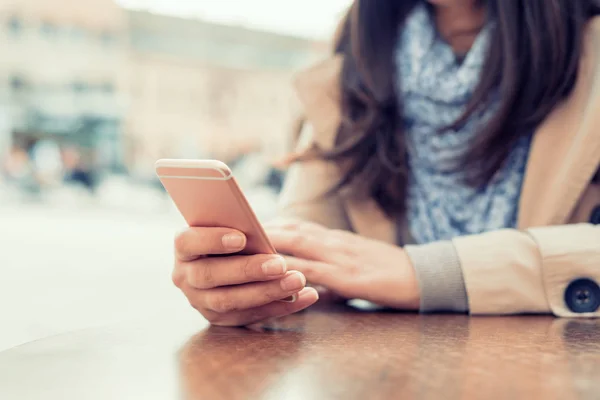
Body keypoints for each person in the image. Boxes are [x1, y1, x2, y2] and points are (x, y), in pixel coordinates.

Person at [172, 0, 600, 326]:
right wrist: (256, 281)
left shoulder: (590, 48)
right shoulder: (355, 63)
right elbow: (312, 229)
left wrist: (428, 274)